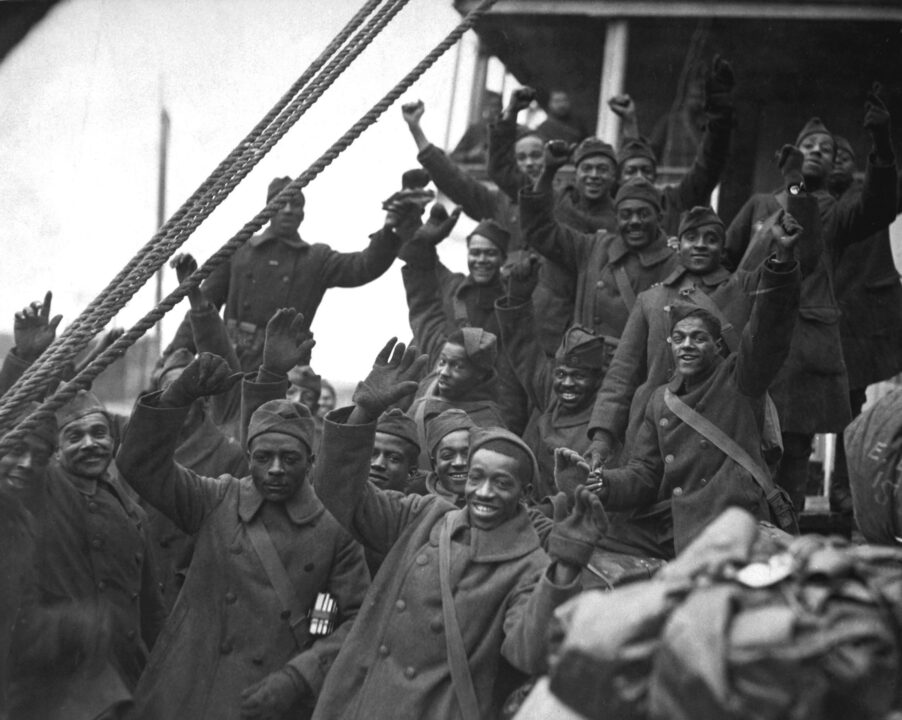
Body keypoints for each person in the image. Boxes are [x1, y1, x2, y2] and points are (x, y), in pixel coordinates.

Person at [311, 338, 607, 720]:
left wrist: (566, 564)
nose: (484, 491)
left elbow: (528, 651)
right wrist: (364, 412)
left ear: (524, 492)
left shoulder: (528, 563)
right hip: (360, 700)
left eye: (501, 483)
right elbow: (339, 495)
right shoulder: (423, 515)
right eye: (477, 477)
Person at [116, 309, 370, 720]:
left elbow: (357, 618)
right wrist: (177, 398)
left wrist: (298, 678)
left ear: (310, 460)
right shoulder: (216, 498)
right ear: (247, 457)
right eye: (263, 457)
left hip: (262, 699)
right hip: (181, 691)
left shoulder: (333, 532)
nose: (275, 469)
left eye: (289, 459)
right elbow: (140, 466)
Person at [724, 88, 898, 511]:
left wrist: (882, 143)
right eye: (810, 146)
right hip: (751, 339)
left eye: (827, 148)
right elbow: (727, 261)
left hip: (801, 350)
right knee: (741, 447)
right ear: (794, 153)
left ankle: (786, 545)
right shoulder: (761, 204)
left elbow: (875, 207)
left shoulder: (836, 211)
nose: (818, 151)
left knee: (792, 453)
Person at [586, 217, 802, 558]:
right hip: (680, 522)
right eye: (679, 338)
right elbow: (644, 474)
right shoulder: (661, 400)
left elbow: (769, 333)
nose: (686, 345)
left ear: (718, 346)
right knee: (586, 543)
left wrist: (782, 262)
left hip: (733, 524)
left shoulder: (740, 380)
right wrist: (605, 483)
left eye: (699, 338)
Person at [585, 205, 782, 466]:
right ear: (678, 245)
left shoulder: (743, 291)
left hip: (720, 430)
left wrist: (786, 250)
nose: (700, 245)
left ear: (722, 248)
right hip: (654, 433)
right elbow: (622, 375)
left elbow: (780, 291)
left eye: (711, 240)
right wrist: (602, 438)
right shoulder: (650, 300)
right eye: (692, 238)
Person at [165, 176, 404, 371]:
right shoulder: (238, 252)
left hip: (286, 373)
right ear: (269, 210)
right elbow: (202, 307)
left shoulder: (316, 259)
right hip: (232, 365)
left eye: (296, 204)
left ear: (303, 213)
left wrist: (390, 230)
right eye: (282, 203)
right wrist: (172, 359)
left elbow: (362, 266)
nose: (288, 210)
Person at [520, 161, 680, 348]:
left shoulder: (674, 263)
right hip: (586, 365)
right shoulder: (593, 247)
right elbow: (540, 230)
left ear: (659, 219)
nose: (635, 221)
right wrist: (549, 170)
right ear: (616, 219)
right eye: (626, 215)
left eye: (644, 214)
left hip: (636, 372)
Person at [827, 133, 902, 515]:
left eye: (846, 156)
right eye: (831, 154)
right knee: (796, 411)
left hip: (856, 318)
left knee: (849, 407)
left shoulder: (868, 198)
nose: (838, 160)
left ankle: (844, 487)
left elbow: (887, 192)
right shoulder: (810, 200)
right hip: (813, 316)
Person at [607, 55, 736, 236]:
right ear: (618, 178)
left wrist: (720, 113)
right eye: (631, 171)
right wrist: (629, 122)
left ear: (655, 176)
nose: (640, 177)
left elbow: (709, 162)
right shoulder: (607, 207)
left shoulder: (674, 202)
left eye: (646, 171)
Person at [496, 292, 607, 497]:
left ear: (597, 380)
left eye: (579, 376)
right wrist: (517, 296)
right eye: (561, 374)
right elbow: (522, 347)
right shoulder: (551, 394)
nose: (567, 384)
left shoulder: (604, 420)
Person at [402, 99, 527, 253]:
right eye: (521, 157)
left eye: (536, 156)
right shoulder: (500, 205)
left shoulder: (562, 199)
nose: (529, 163)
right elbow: (455, 180)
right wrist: (415, 129)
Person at [406, 326, 506, 463]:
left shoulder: (489, 423)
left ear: (480, 374)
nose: (443, 372)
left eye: (457, 366)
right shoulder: (428, 385)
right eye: (442, 362)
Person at [449, 90, 503, 165]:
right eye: (491, 106)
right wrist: (470, 155)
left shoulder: (507, 131)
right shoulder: (474, 130)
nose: (495, 110)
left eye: (498, 107)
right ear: (484, 107)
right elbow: (453, 157)